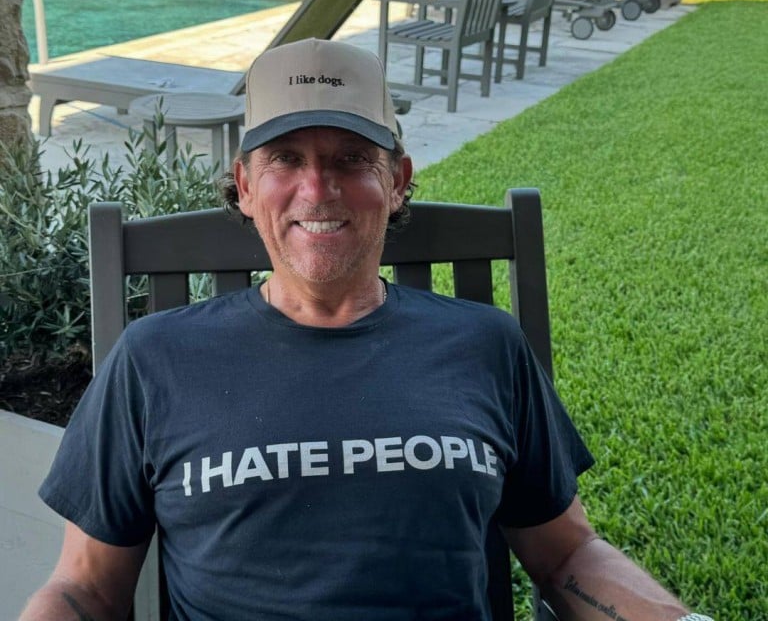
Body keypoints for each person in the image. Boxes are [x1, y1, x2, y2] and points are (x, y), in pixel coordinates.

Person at [21, 39, 712, 621]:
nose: (317, 191)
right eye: (285, 159)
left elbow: (566, 553)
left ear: (400, 180)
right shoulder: (155, 359)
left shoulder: (485, 345)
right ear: (243, 184)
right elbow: (84, 587)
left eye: (352, 159)